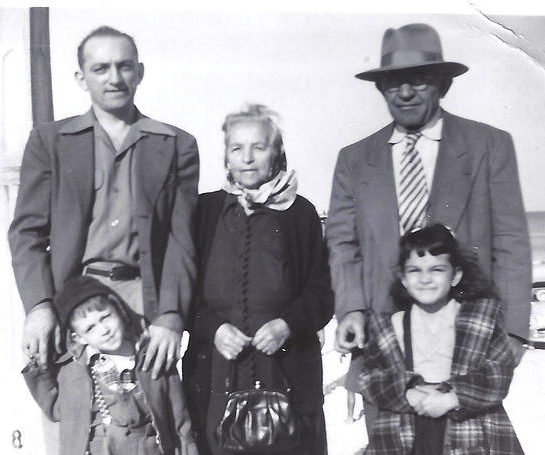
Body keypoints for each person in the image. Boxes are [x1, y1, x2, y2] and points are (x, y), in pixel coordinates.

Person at [326, 23, 531, 429]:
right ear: (380, 89)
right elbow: (342, 245)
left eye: (417, 80)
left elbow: (511, 242)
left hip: (470, 339)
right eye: (393, 83)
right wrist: (350, 309)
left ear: (441, 84)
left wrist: (513, 334)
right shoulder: (354, 160)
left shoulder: (490, 146)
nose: (404, 93)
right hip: (386, 344)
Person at [8, 26, 199, 379]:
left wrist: (170, 315)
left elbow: (181, 241)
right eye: (100, 68)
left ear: (139, 72)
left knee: (152, 423)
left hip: (145, 308)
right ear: (81, 78)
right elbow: (27, 234)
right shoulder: (50, 142)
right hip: (71, 305)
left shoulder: (176, 145)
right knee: (79, 425)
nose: (114, 78)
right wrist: (39, 305)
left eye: (124, 66)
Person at [182, 104, 334, 455]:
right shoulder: (205, 211)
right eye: (237, 148)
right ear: (226, 157)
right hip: (218, 370)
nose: (247, 159)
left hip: (285, 370)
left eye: (258, 147)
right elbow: (183, 290)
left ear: (276, 153)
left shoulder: (300, 213)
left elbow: (322, 292)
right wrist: (213, 329)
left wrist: (287, 324)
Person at [359, 224, 523, 454]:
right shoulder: (392, 326)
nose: (425, 279)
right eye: (415, 270)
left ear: (455, 275)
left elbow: (499, 374)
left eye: (436, 269)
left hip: (468, 429)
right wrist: (407, 393)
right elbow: (370, 377)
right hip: (409, 430)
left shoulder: (479, 321)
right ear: (403, 278)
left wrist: (454, 398)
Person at [23, 275, 198, 455]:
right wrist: (38, 370)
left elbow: (180, 419)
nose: (104, 330)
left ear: (119, 310)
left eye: (105, 317)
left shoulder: (152, 357)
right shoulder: (76, 371)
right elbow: (56, 409)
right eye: (90, 328)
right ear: (79, 338)